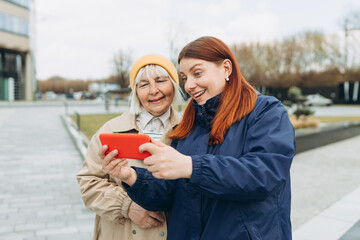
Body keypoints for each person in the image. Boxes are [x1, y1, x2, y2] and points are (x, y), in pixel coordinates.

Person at [102, 36, 296, 239]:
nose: (189, 85)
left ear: (226, 68)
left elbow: (263, 174)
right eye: (185, 78)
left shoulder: (266, 112)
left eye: (197, 73)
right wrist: (131, 177)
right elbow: (169, 194)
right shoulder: (191, 122)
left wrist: (191, 167)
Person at [77, 54, 183, 240]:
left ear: (174, 84)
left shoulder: (191, 129)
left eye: (160, 81)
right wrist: (127, 206)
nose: (153, 90)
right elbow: (89, 183)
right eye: (143, 85)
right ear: (134, 92)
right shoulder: (111, 131)